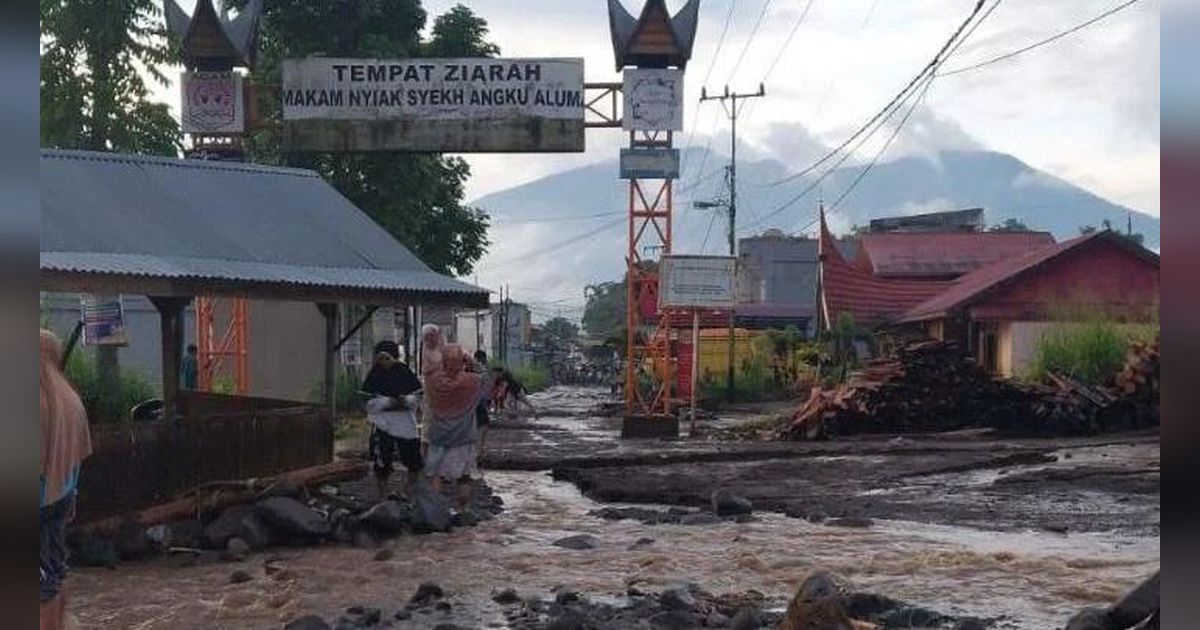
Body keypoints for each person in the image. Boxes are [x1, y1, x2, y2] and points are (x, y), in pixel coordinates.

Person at [41, 330, 92, 630]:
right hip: (62, 497)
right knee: (56, 570)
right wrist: (71, 496)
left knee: (39, 583)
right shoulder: (69, 396)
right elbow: (77, 455)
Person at [424, 344, 486, 511]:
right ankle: (462, 510)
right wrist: (470, 361)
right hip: (463, 437)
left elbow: (429, 372)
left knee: (437, 474)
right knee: (464, 477)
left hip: (438, 435)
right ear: (461, 361)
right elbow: (484, 375)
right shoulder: (471, 381)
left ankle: (436, 509)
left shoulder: (434, 381)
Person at [361, 340, 423, 499]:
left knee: (413, 460)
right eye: (380, 358)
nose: (383, 362)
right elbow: (367, 402)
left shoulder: (404, 373)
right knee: (381, 459)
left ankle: (408, 492)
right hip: (382, 424)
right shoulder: (374, 375)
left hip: (405, 424)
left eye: (386, 358)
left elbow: (417, 397)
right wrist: (388, 403)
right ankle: (383, 494)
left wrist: (405, 401)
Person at [418, 324, 445, 457]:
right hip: (430, 391)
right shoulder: (425, 351)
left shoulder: (440, 350)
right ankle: (423, 457)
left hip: (443, 391)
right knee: (427, 425)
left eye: (434, 336)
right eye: (428, 336)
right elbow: (425, 371)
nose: (432, 339)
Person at [471, 350, 494, 466]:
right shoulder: (482, 370)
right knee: (482, 426)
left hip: (480, 402)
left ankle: (479, 451)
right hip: (479, 402)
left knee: (482, 425)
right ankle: (477, 452)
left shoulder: (483, 370)